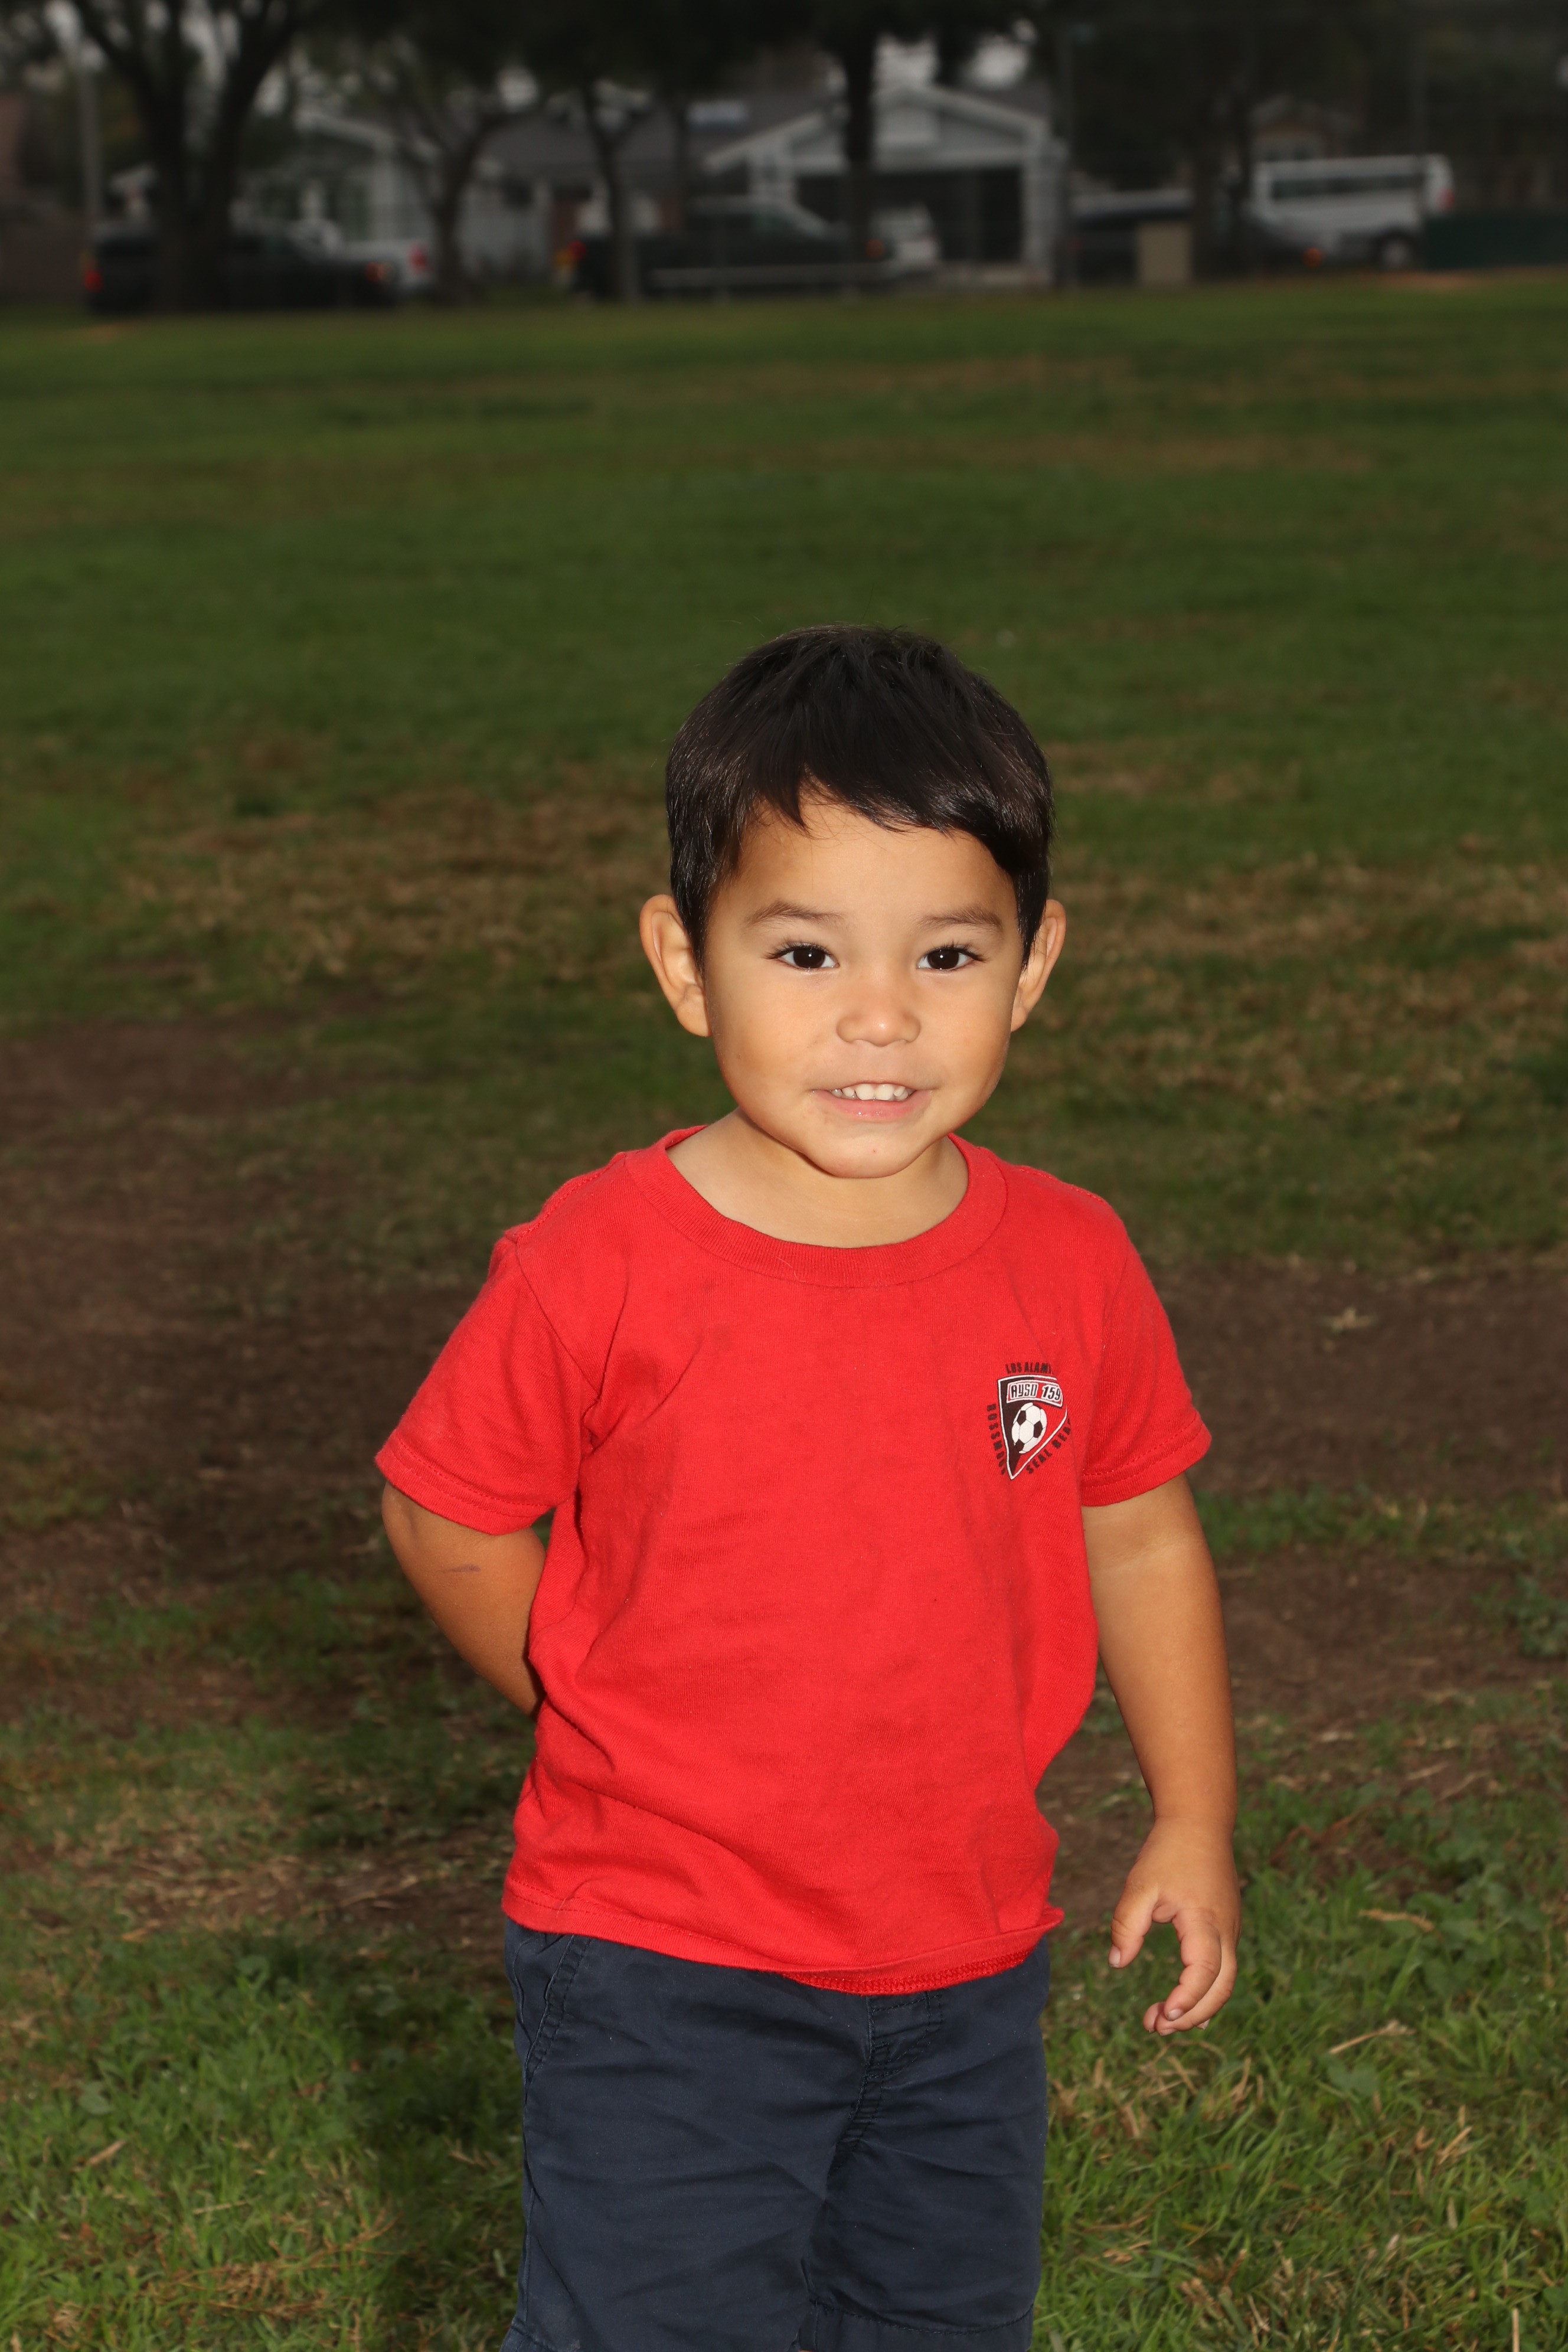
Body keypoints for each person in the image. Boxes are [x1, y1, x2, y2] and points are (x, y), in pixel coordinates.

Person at [378, 625, 1240, 2352]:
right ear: (684, 965)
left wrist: (1196, 1815)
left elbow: (1137, 1529)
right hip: (665, 1959)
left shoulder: (1069, 1260)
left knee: (936, 2318)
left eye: (947, 952)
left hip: (969, 1955)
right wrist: (588, 1695)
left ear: (1035, 964)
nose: (880, 1015)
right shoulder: (603, 1263)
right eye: (802, 950)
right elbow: (444, 1509)